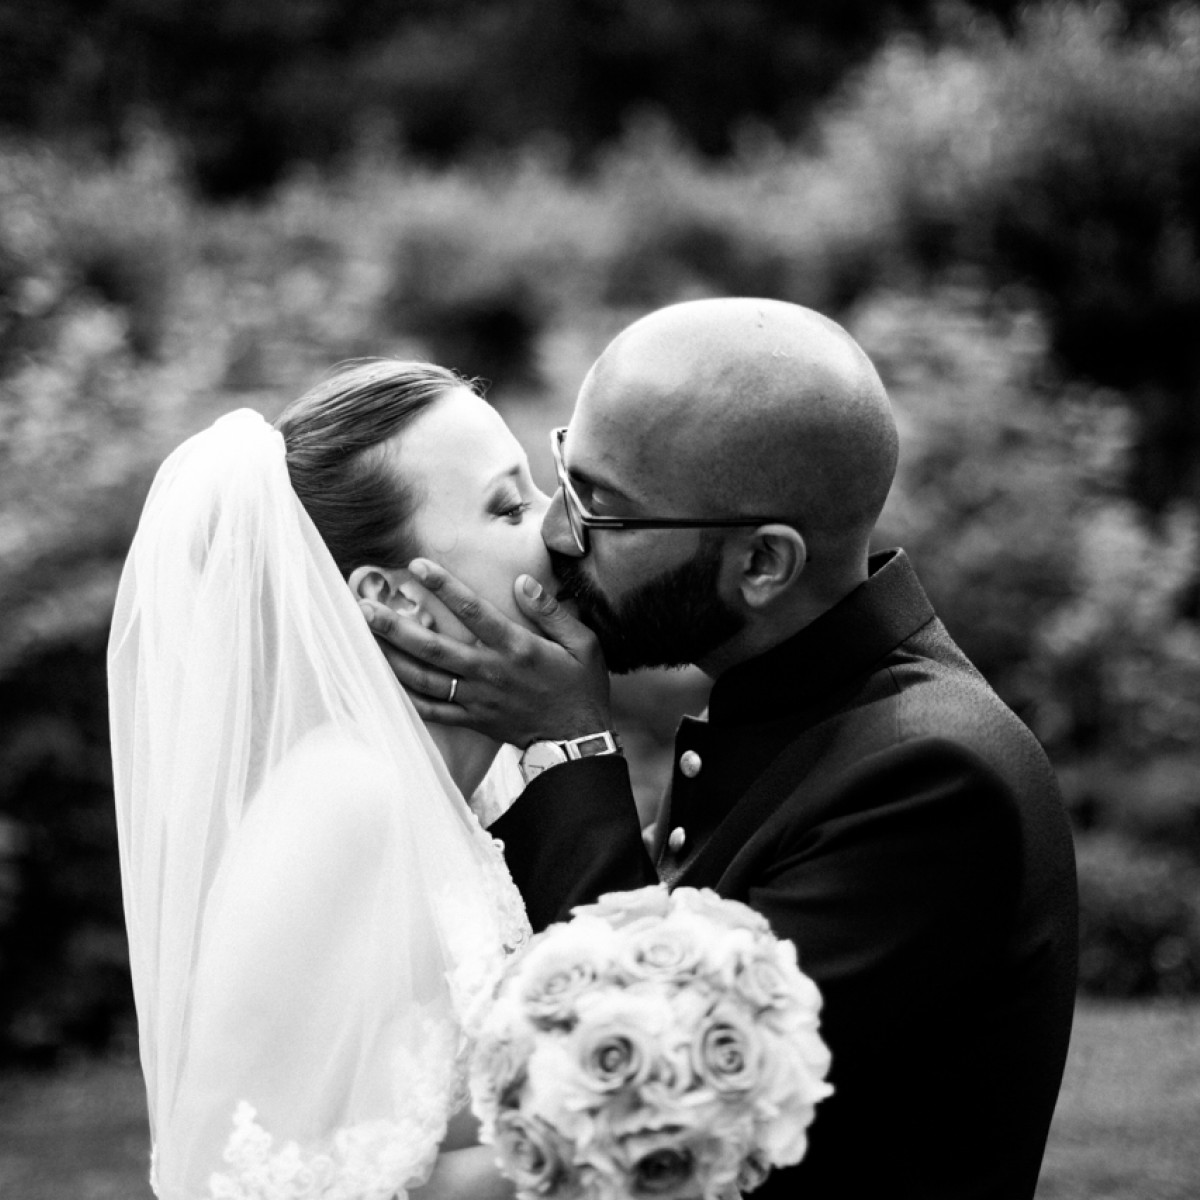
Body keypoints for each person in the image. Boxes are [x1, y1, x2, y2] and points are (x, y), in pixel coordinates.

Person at [362, 298, 1080, 1200]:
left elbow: (633, 1103)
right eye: (566, 476)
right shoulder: (784, 704)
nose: (555, 532)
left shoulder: (932, 781)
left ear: (763, 565)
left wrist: (570, 747)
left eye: (601, 508)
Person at [109, 361, 542, 1200]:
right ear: (393, 597)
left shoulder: (462, 788)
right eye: (509, 506)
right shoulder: (346, 799)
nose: (560, 524)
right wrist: (584, 1136)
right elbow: (234, 1173)